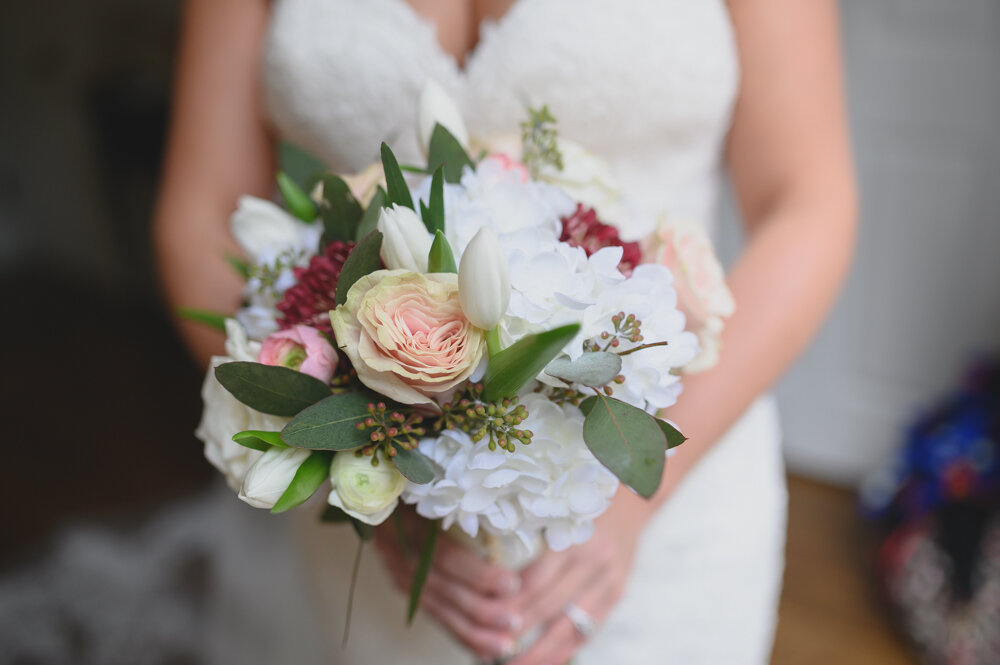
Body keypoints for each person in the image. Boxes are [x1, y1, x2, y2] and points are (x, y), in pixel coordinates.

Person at [154, 1, 856, 663]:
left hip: (669, 469)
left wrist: (637, 497)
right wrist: (366, 464)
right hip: (360, 509)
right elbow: (200, 216)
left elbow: (807, 204)